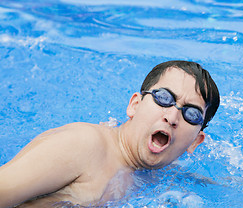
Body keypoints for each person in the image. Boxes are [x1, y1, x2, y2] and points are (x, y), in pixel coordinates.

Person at [0, 60, 220, 208]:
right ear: (135, 105)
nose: (172, 117)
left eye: (191, 114)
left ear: (195, 142)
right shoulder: (84, 145)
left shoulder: (159, 174)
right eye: (163, 98)